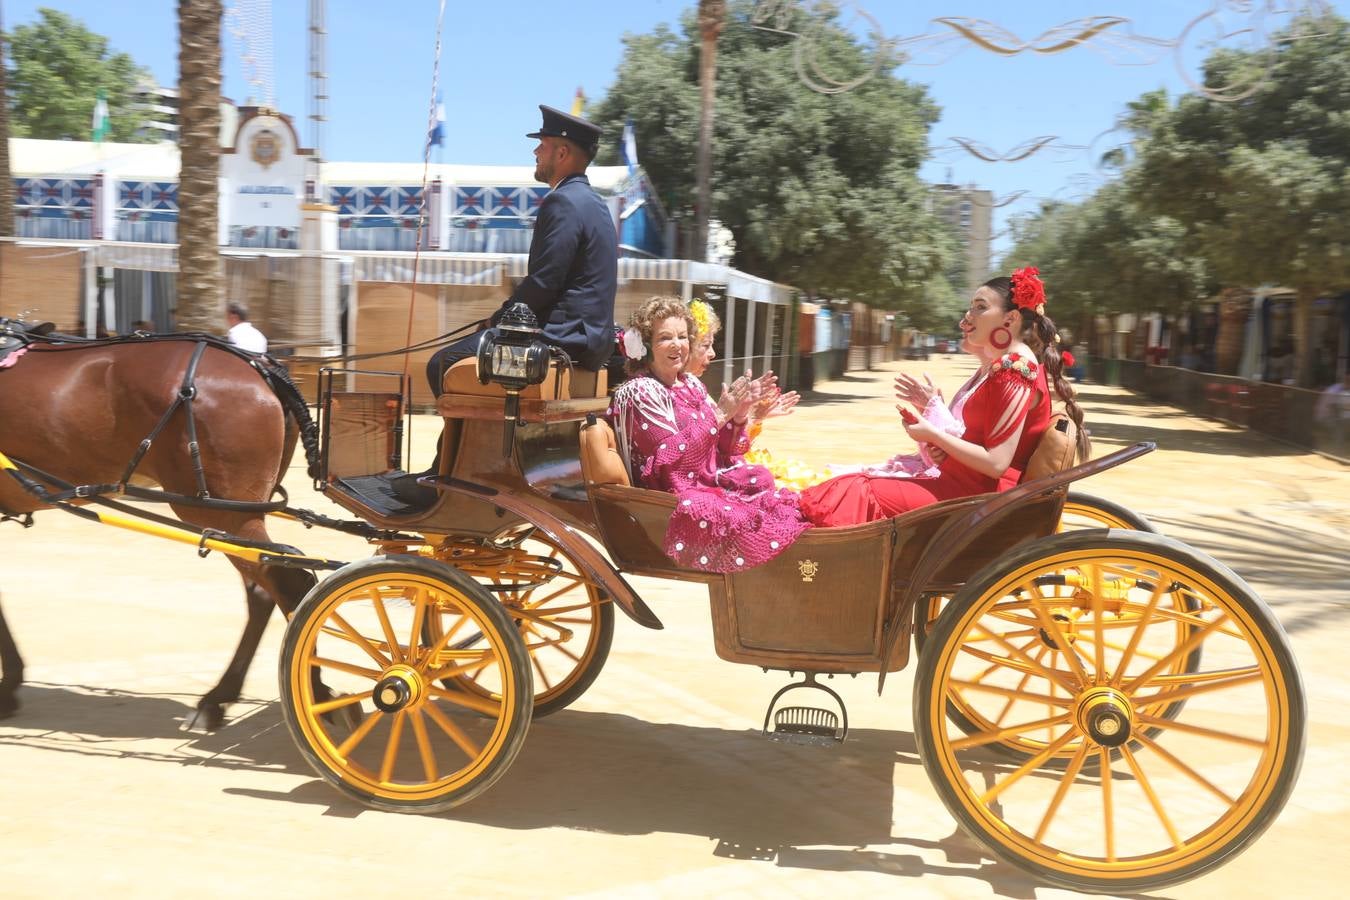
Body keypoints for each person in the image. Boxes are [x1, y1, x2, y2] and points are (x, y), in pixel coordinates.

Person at [800, 267, 1088, 526]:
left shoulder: (1015, 368)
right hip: (966, 484)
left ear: (1010, 318)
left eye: (980, 307)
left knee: (856, 490)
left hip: (977, 496)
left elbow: (996, 463)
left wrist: (934, 436)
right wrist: (942, 444)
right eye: (970, 307)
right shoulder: (1010, 366)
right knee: (851, 484)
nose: (968, 316)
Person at [424, 104, 618, 392]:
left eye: (542, 145)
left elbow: (544, 281)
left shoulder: (562, 201)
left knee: (441, 364)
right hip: (593, 342)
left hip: (560, 337)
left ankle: (472, 439)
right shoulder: (596, 204)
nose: (535, 153)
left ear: (562, 153)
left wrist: (501, 318)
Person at [607, 296, 809, 572]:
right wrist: (720, 414)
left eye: (682, 336)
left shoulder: (690, 384)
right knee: (740, 511)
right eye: (665, 337)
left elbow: (722, 451)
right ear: (645, 347)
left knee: (759, 477)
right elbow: (674, 466)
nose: (677, 344)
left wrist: (740, 414)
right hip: (672, 494)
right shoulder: (640, 392)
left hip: (704, 482)